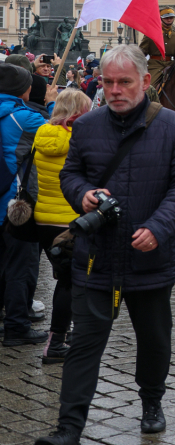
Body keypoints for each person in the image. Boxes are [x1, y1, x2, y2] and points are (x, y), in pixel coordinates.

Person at [35, 45, 175, 445]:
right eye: (107, 82)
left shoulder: (174, 126)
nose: (114, 90)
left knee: (155, 340)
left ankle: (152, 402)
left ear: (144, 81)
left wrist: (159, 227)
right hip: (96, 258)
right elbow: (70, 175)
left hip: (150, 257)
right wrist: (84, 194)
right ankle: (68, 428)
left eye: (124, 82)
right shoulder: (87, 125)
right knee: (84, 347)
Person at [30, 89, 93, 363]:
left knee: (64, 279)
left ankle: (62, 337)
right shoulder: (80, 140)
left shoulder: (41, 134)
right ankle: (57, 342)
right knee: (70, 282)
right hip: (71, 221)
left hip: (43, 219)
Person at [0, 65, 57, 348]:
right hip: (15, 205)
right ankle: (17, 327)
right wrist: (52, 102)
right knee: (20, 268)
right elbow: (59, 132)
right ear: (23, 90)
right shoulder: (23, 117)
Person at [139, 7, 175, 83]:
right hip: (155, 66)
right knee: (149, 88)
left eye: (171, 18)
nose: (169, 20)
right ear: (160, 18)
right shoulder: (151, 33)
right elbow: (142, 51)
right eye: (166, 18)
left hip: (171, 66)